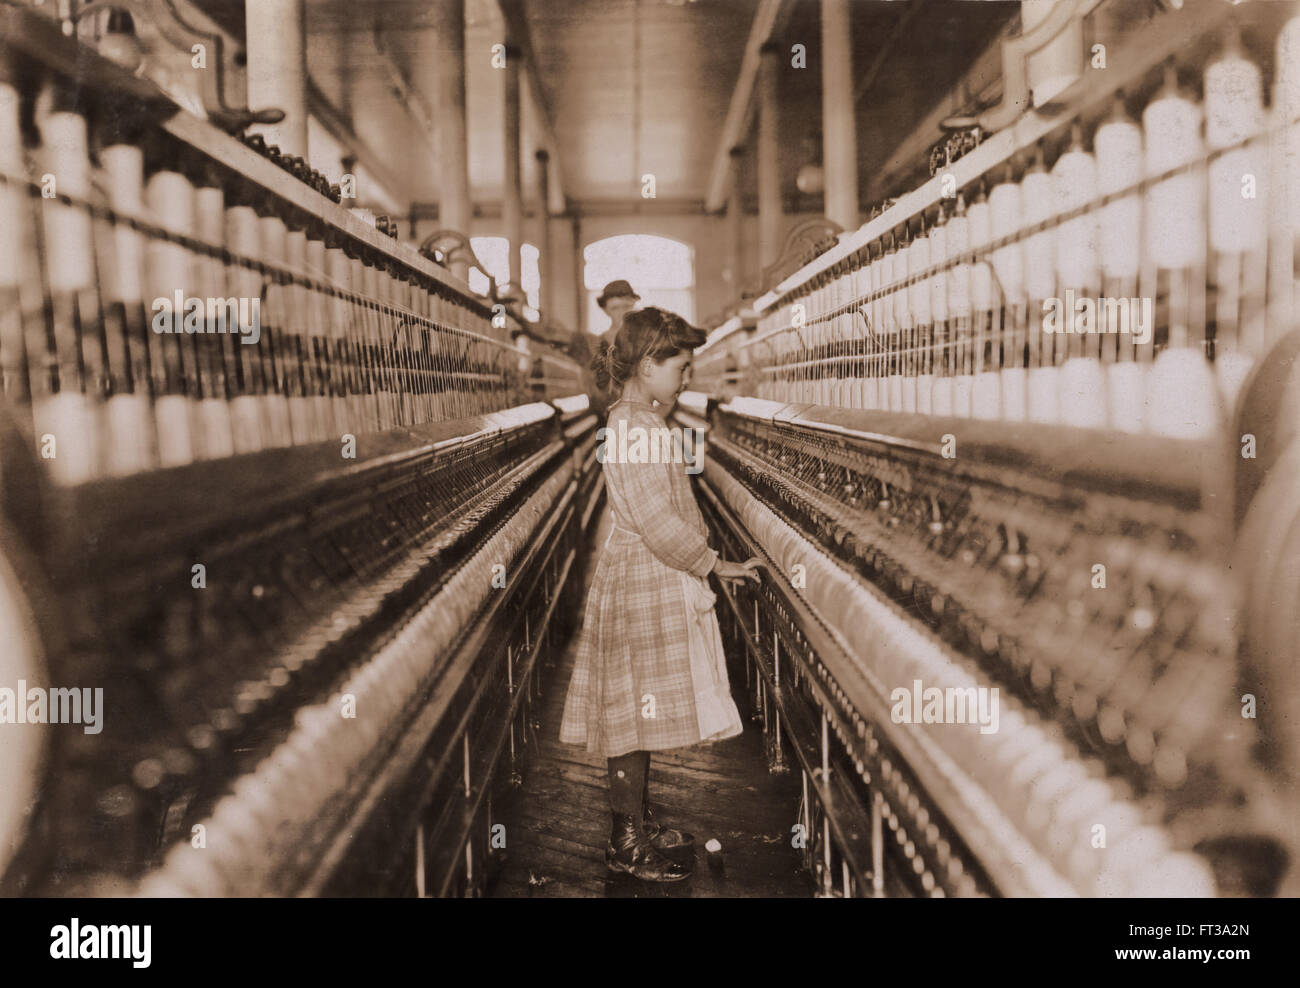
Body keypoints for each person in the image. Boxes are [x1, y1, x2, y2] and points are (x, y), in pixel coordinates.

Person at [559, 306, 764, 882]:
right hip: (643, 575)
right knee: (629, 716)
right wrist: (714, 563)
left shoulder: (638, 423)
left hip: (644, 572)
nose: (687, 378)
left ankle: (638, 823)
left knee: (637, 710)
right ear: (648, 365)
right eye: (681, 366)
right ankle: (625, 841)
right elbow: (655, 519)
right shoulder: (636, 429)